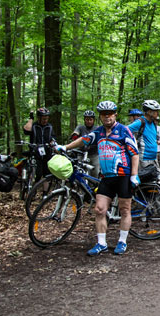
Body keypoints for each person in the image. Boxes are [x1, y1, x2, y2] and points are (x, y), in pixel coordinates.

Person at [56, 101, 139, 256]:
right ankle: (102, 243)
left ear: (115, 114)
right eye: (103, 114)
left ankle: (122, 241)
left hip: (123, 176)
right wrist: (66, 147)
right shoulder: (99, 132)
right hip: (106, 177)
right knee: (99, 210)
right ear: (100, 116)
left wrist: (134, 175)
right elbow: (83, 140)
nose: (107, 116)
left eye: (110, 113)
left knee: (125, 209)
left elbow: (134, 153)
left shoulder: (124, 131)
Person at [128, 100, 160, 182]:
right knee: (146, 184)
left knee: (159, 182)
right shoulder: (140, 122)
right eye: (156, 111)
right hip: (144, 159)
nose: (158, 113)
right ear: (149, 112)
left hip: (154, 158)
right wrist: (133, 141)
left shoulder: (153, 124)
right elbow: (126, 130)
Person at [23, 107, 56, 180]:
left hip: (47, 152)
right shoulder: (34, 126)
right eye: (44, 119)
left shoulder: (49, 127)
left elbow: (53, 138)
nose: (45, 120)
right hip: (35, 152)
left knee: (47, 174)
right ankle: (32, 189)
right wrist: (31, 118)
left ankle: (45, 191)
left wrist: (52, 143)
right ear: (39, 118)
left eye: (47, 118)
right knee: (37, 173)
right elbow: (26, 130)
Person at [71, 110, 100, 177]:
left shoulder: (97, 128)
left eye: (90, 119)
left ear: (93, 120)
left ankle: (95, 186)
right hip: (82, 154)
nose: (89, 121)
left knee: (95, 173)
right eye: (87, 119)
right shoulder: (80, 127)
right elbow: (76, 133)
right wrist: (75, 135)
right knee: (81, 173)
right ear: (84, 120)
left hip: (94, 154)